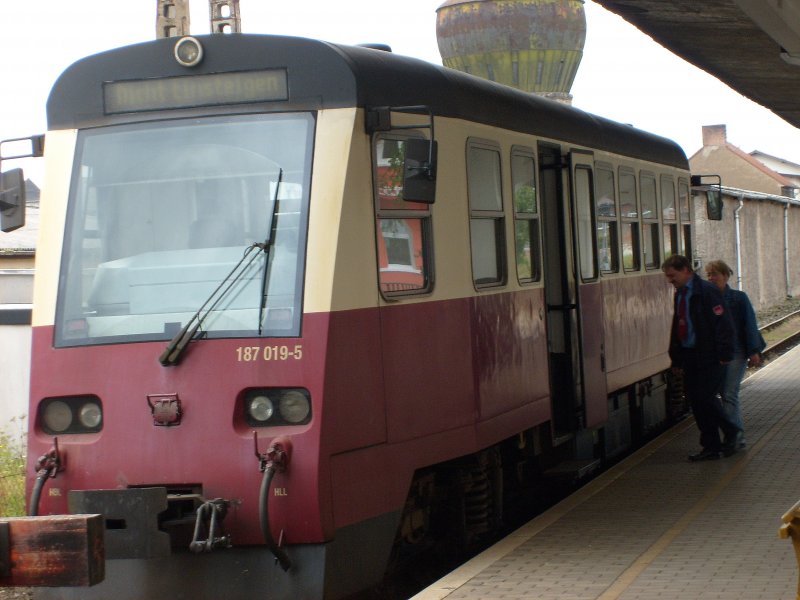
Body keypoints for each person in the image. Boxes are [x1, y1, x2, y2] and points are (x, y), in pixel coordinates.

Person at [662, 254, 741, 461]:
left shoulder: (707, 291)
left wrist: (725, 352)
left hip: (710, 354)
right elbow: (678, 325)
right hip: (690, 354)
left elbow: (723, 324)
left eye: (673, 275)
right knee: (697, 402)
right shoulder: (680, 293)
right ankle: (711, 446)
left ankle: (731, 430)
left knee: (705, 398)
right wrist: (676, 358)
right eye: (668, 276)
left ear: (686, 270)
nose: (670, 279)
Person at [705, 260, 765, 450]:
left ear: (725, 275)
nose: (711, 278)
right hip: (716, 354)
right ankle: (732, 435)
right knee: (720, 394)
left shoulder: (739, 298)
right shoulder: (707, 299)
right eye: (709, 274)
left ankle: (736, 438)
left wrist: (754, 351)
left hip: (737, 352)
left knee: (729, 394)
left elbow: (749, 324)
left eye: (714, 274)